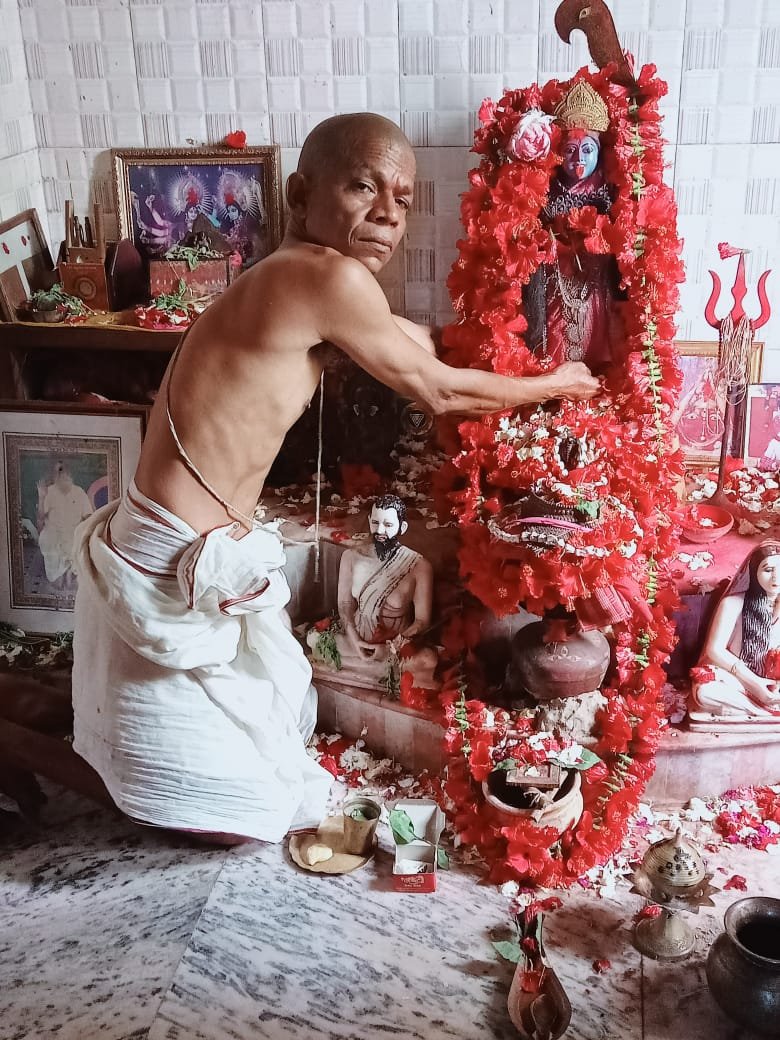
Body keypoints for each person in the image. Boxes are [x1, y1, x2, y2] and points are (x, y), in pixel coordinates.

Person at [7, 113, 599, 843]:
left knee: (181, 759)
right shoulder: (325, 277)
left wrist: (522, 335)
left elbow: (425, 344)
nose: (388, 214)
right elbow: (439, 388)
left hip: (175, 537)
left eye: (403, 198)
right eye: (363, 187)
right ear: (300, 194)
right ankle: (14, 745)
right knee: (205, 817)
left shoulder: (306, 277)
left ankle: (24, 714)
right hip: (171, 555)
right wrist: (557, 384)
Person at [523, 81, 623, 373]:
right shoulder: (544, 194)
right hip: (556, 291)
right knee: (553, 351)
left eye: (587, 150)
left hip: (596, 292)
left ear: (599, 154)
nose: (579, 159)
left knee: (598, 349)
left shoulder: (610, 197)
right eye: (570, 150)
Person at [312, 495, 439, 689]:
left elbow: (422, 621)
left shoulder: (418, 565)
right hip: (355, 638)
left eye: (388, 525)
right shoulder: (351, 556)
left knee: (428, 659)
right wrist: (355, 641)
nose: (380, 531)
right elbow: (345, 605)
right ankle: (384, 672)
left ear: (402, 527)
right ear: (369, 520)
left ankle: (373, 667)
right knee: (314, 639)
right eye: (375, 523)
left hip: (393, 645)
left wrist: (390, 649)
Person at [690, 540, 780, 721]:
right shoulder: (733, 604)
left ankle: (756, 708)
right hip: (736, 677)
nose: (776, 577)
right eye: (768, 570)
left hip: (773, 682)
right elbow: (714, 650)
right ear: (754, 571)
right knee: (705, 692)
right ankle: (765, 711)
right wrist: (754, 683)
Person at [36, 462, 93, 590]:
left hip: (73, 531)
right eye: (60, 476)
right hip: (53, 532)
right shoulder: (49, 491)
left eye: (66, 476)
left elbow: (88, 515)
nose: (63, 479)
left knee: (75, 543)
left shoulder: (79, 491)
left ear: (71, 477)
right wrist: (41, 498)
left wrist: (84, 530)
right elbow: (40, 518)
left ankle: (69, 571)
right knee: (57, 584)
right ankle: (62, 573)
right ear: (56, 478)